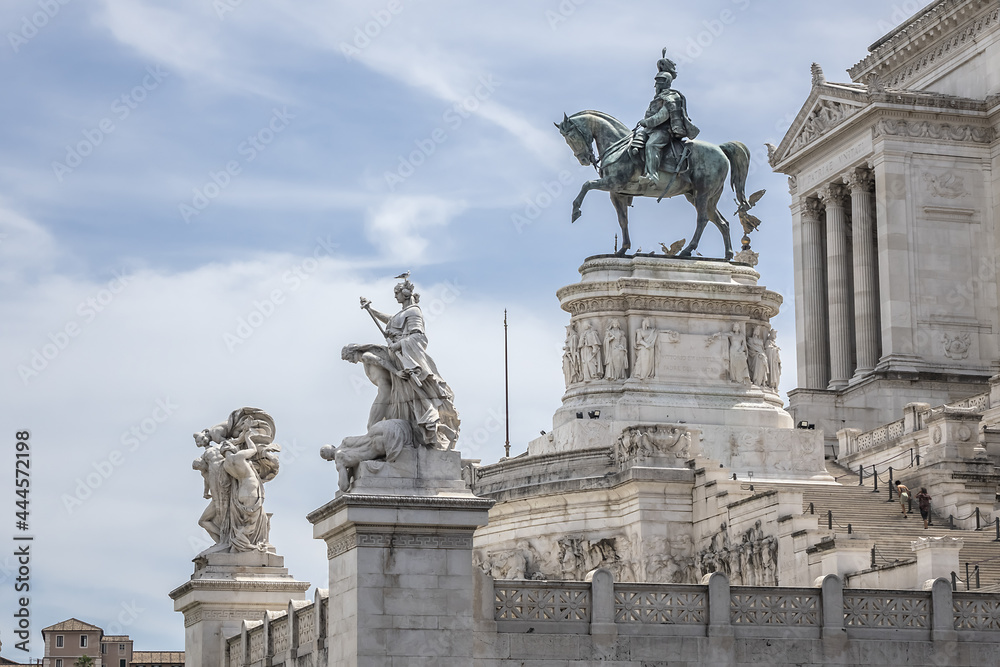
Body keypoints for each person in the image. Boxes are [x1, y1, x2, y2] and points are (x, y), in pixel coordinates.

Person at [636, 52, 700, 183]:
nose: (656, 86)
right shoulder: (659, 97)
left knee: (651, 145)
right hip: (651, 130)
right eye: (656, 82)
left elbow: (662, 116)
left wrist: (646, 122)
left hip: (664, 131)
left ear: (665, 82)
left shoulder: (671, 97)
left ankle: (652, 176)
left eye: (658, 82)